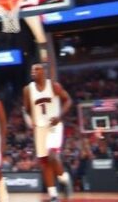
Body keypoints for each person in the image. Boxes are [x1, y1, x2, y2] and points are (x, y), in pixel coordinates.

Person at [23, 63, 73, 202]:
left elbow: (68, 100)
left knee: (52, 156)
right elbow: (26, 109)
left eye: (37, 69)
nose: (33, 71)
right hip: (39, 128)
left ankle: (64, 179)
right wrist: (29, 120)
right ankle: (53, 194)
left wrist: (59, 116)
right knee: (45, 163)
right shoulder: (28, 90)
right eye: (32, 69)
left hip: (54, 125)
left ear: (44, 71)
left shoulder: (54, 86)